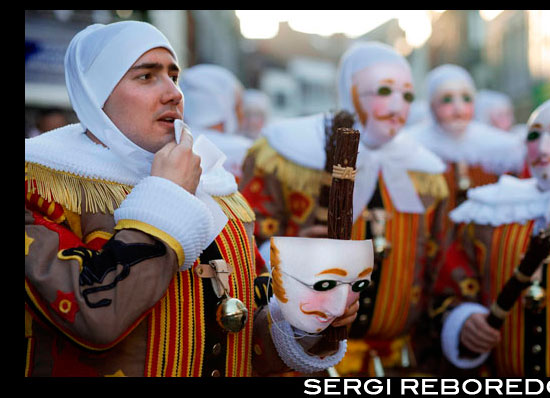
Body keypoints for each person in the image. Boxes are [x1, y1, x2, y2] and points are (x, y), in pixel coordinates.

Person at [25, 20, 356, 377]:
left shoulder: (215, 187)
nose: (173, 93)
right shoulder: (41, 186)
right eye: (146, 76)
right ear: (97, 93)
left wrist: (304, 318)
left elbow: (244, 335)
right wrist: (166, 198)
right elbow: (95, 318)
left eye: (173, 76)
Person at [240, 41, 450, 376]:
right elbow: (244, 240)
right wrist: (286, 253)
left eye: (408, 95)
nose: (398, 107)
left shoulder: (427, 173)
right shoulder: (286, 153)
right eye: (383, 91)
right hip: (309, 365)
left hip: (399, 362)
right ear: (349, 90)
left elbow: (441, 264)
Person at [429, 97, 550, 377]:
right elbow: (449, 288)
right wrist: (463, 322)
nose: (542, 148)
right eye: (533, 135)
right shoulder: (490, 214)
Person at [405, 65, 526, 225]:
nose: (459, 109)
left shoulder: (499, 145)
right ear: (431, 104)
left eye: (467, 98)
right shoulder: (411, 144)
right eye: (447, 99)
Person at [178, 64, 253, 181]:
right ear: (226, 105)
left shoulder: (168, 148)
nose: (241, 115)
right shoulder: (248, 153)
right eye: (238, 106)